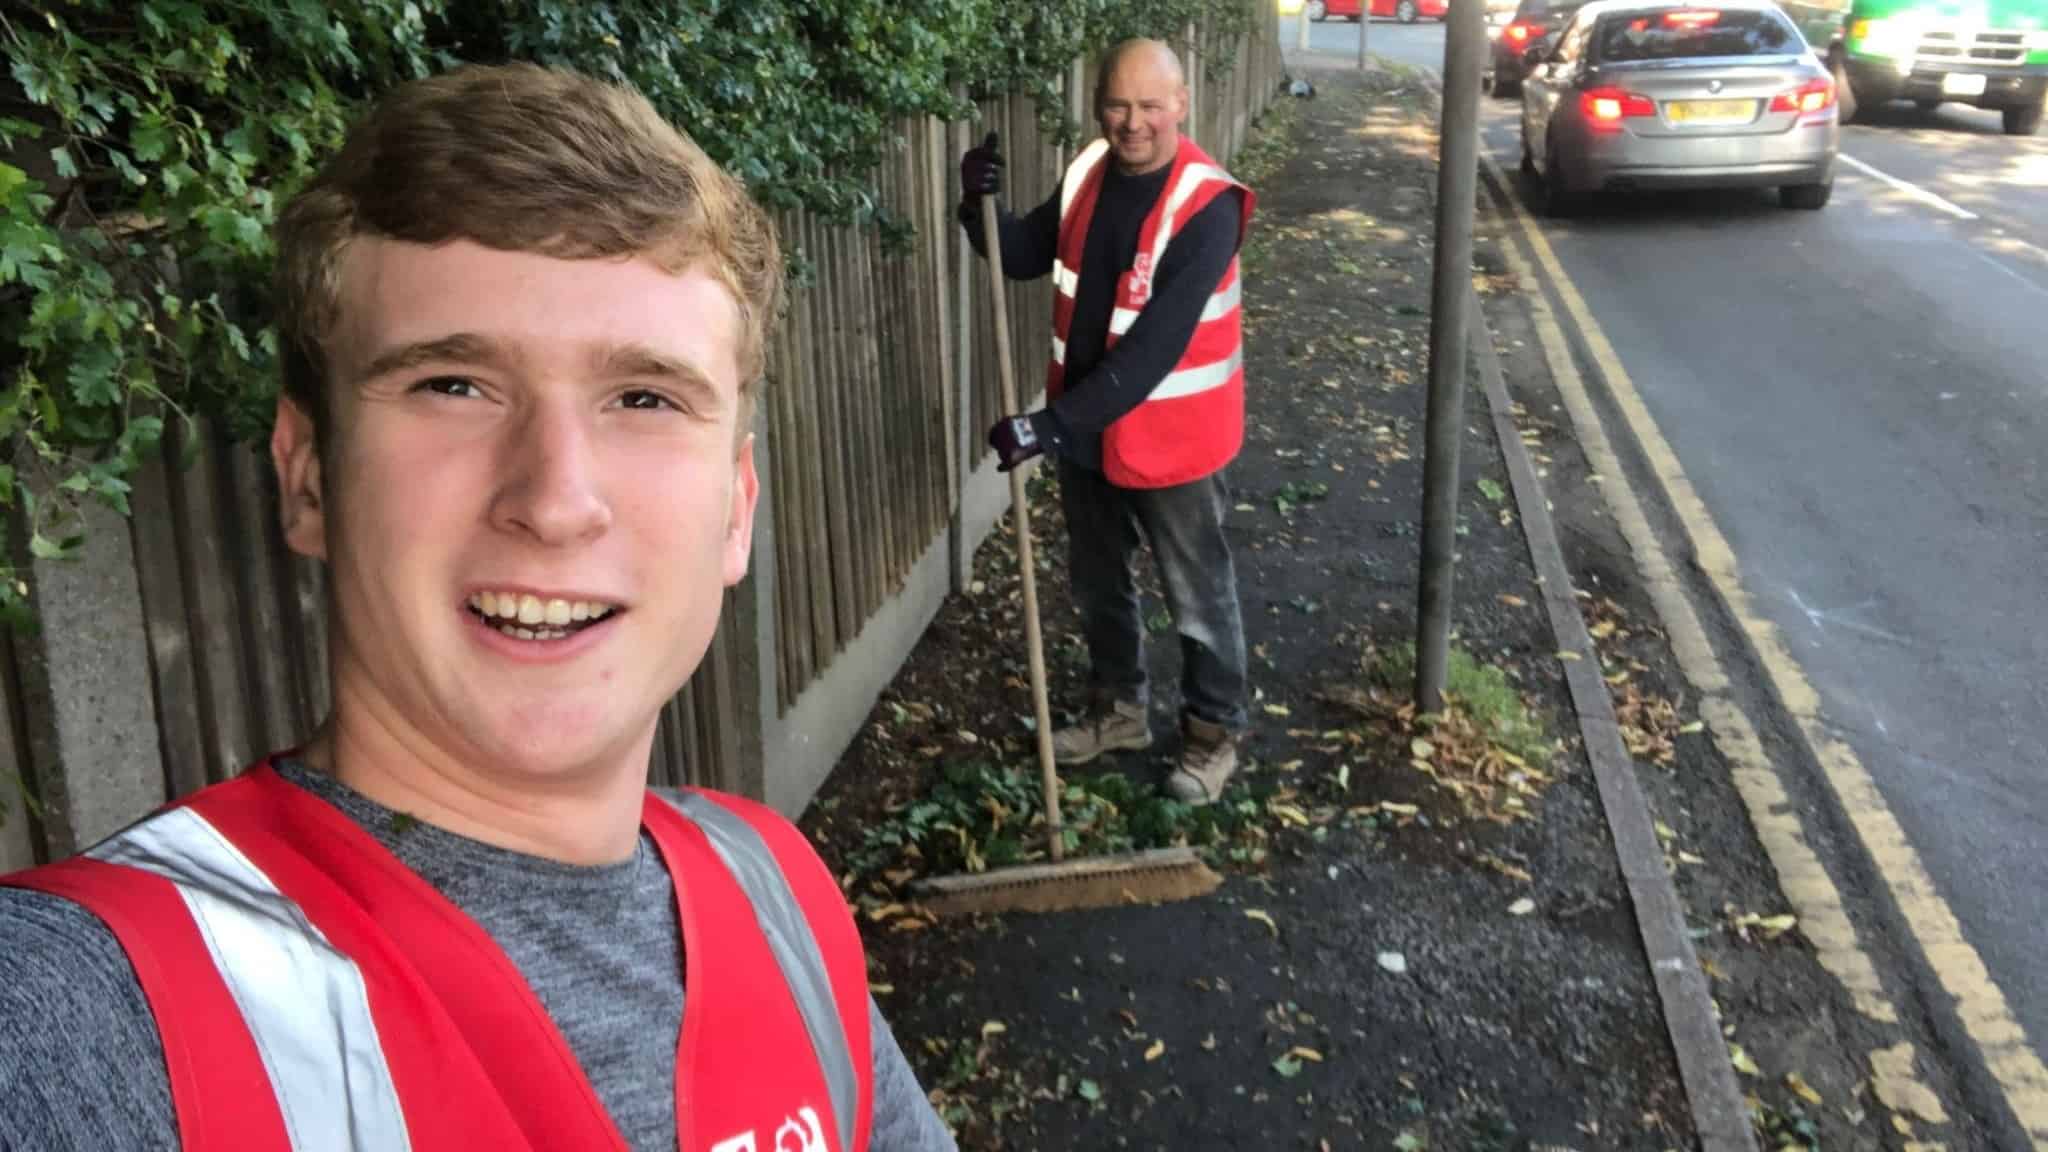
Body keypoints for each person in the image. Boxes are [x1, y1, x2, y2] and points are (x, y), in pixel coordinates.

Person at [0, 62, 955, 1152]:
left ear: (735, 510)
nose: (554, 501)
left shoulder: (775, 891)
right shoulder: (91, 1014)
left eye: (643, 398)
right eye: (452, 386)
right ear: (307, 475)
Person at [960, 38, 1257, 805]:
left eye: (1150, 106)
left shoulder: (1208, 205)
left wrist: (1046, 426)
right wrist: (977, 204)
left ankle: (1212, 735)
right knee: (1098, 585)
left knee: (1197, 595)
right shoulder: (1091, 169)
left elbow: (1156, 350)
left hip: (1175, 439)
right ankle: (1120, 711)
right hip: (1090, 430)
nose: (1133, 123)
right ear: (1100, 108)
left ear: (1180, 105)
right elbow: (1022, 255)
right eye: (1118, 106)